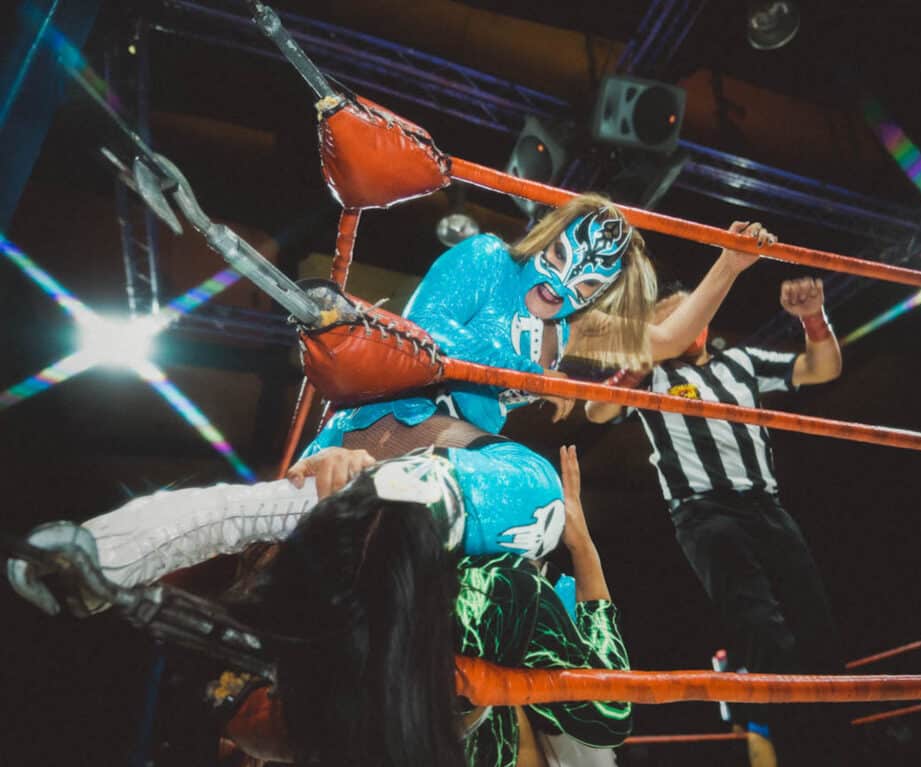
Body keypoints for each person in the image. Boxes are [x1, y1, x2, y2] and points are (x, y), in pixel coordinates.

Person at [9, 443, 630, 767]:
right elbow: (607, 714)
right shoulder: (501, 587)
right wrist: (587, 552)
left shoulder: (311, 572)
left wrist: (330, 495)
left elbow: (218, 516)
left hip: (313, 697)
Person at [586, 270, 846, 765]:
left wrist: (813, 319)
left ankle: (839, 747)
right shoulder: (653, 377)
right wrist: (641, 362)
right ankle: (798, 751)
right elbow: (597, 411)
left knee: (818, 629)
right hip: (704, 513)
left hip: (767, 506)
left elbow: (823, 369)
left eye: (685, 318)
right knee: (764, 632)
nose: (680, 329)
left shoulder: (742, 362)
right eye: (665, 325)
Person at [304, 199, 775, 460]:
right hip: (394, 420)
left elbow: (667, 341)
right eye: (557, 259)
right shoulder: (489, 259)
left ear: (599, 292)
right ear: (544, 241)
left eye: (587, 282)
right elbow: (426, 327)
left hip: (451, 449)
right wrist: (528, 374)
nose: (560, 284)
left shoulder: (574, 327)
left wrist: (729, 266)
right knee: (522, 478)